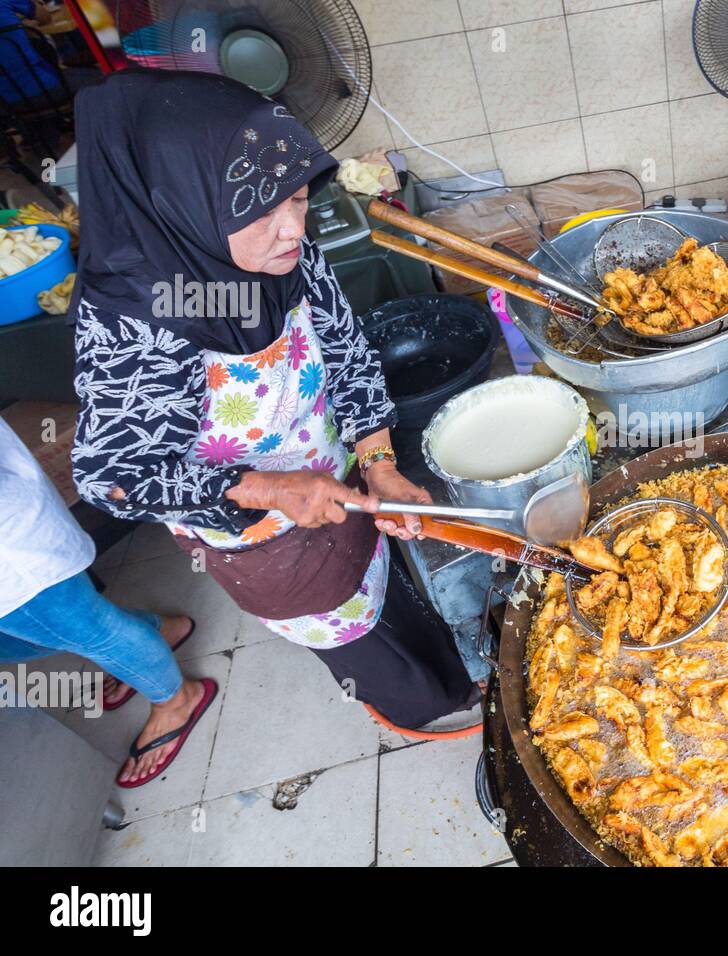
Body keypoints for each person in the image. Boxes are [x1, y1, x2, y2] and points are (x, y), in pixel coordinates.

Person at [70, 69, 477, 733]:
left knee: (391, 591)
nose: (293, 228)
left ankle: (450, 679)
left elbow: (346, 349)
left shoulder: (286, 257)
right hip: (263, 540)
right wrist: (271, 489)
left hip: (339, 483)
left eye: (298, 200)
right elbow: (115, 476)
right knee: (362, 647)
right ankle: (421, 712)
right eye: (264, 213)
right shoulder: (137, 319)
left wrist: (377, 459)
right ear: (184, 204)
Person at [0, 418, 215, 787]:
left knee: (89, 631)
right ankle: (157, 633)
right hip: (14, 534)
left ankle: (177, 700)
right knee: (42, 635)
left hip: (11, 551)